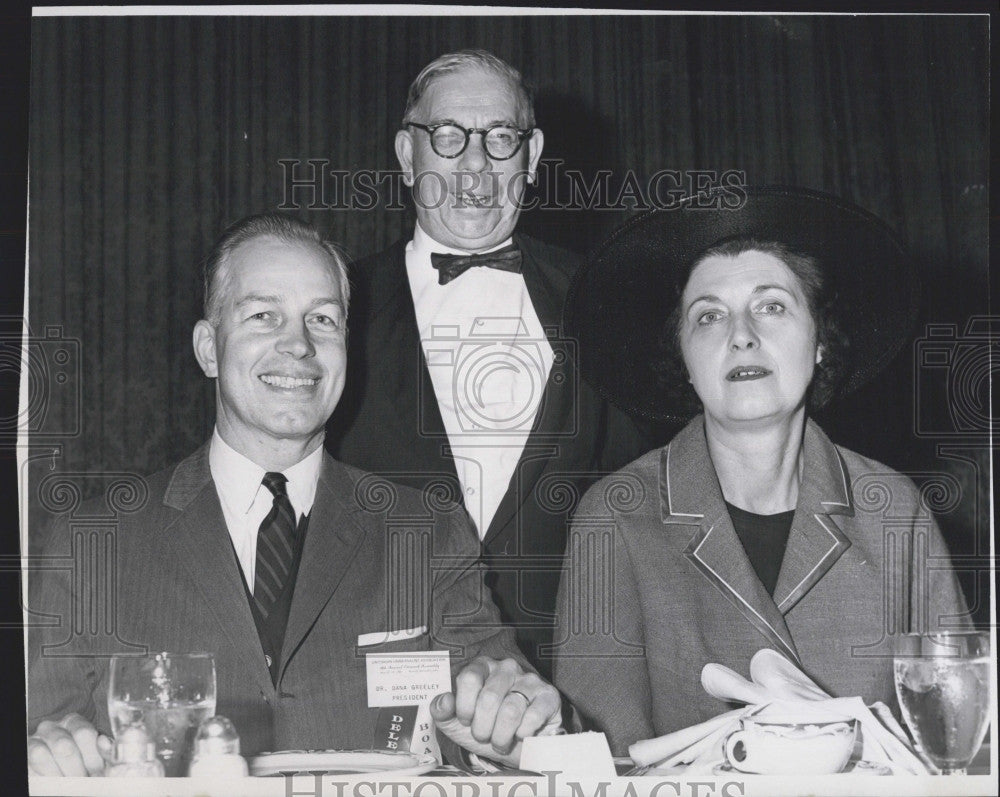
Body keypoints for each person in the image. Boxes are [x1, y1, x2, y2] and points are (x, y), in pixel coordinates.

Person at [26, 212, 561, 776]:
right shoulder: (93, 541)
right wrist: (49, 750)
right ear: (209, 349)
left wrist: (515, 724)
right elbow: (46, 730)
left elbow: (512, 716)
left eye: (323, 320)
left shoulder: (429, 532)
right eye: (264, 315)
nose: (299, 345)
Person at [551, 187, 971, 755]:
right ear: (684, 358)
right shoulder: (616, 517)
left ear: (820, 340)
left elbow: (953, 740)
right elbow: (597, 765)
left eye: (771, 305)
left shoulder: (895, 509)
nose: (741, 333)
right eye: (708, 316)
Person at [327, 50, 650, 679]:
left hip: (573, 686)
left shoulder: (606, 299)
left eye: (500, 138)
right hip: (378, 681)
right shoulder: (334, 312)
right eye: (447, 137)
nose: (475, 165)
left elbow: (642, 500)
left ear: (530, 158)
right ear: (405, 154)